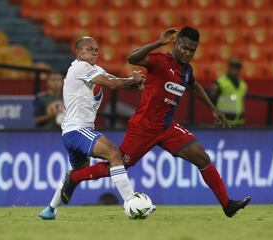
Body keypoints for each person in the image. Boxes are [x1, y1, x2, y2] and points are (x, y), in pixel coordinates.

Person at [53, 27, 251, 219]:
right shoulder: (159, 60)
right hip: (144, 127)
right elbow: (133, 58)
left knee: (202, 157)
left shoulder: (186, 71)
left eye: (192, 50)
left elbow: (195, 87)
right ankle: (74, 178)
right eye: (183, 47)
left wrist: (213, 109)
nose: (187, 52)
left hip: (167, 127)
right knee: (119, 163)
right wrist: (158, 42)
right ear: (175, 44)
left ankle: (227, 204)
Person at [38, 36, 150, 220]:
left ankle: (50, 210)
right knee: (114, 154)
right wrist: (132, 79)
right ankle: (131, 200)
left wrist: (136, 84)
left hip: (73, 132)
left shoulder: (95, 70)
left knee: (77, 172)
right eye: (89, 49)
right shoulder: (79, 67)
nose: (94, 52)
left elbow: (117, 82)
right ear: (79, 52)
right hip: (78, 129)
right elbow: (112, 83)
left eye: (96, 49)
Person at [210, 58, 247, 126]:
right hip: (224, 121)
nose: (235, 70)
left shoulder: (243, 85)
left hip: (239, 122)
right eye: (233, 68)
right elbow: (212, 99)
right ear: (229, 68)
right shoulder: (220, 82)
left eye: (237, 68)